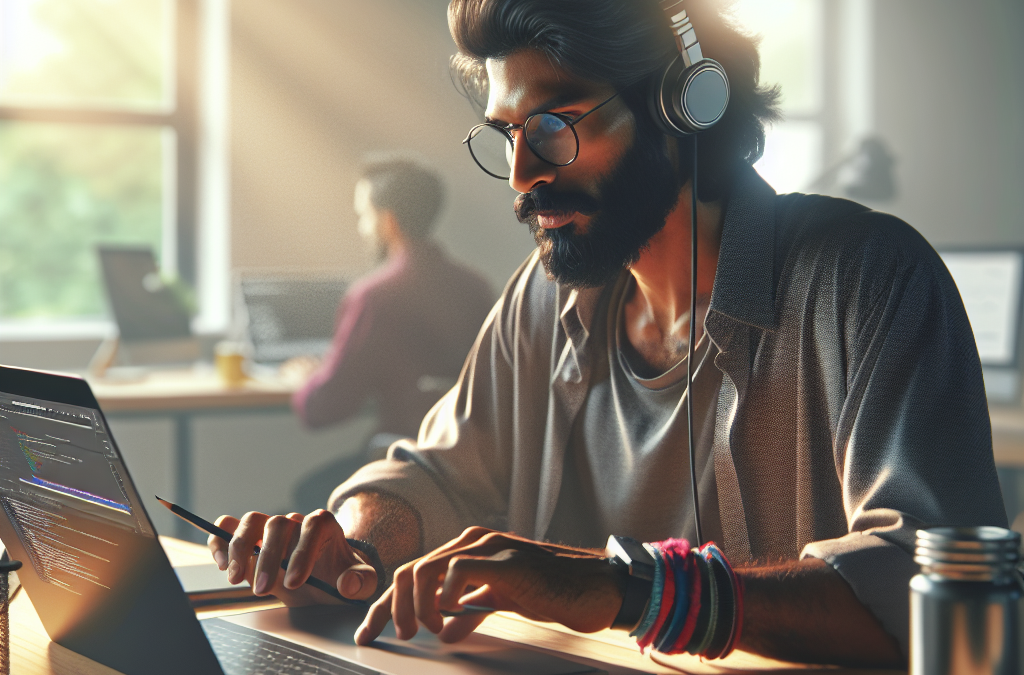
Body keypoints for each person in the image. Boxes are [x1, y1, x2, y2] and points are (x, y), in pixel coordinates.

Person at [211, 1, 1006, 668]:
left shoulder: (868, 279)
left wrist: (628, 588)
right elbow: (436, 473)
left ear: (682, 107)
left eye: (553, 124)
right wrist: (356, 548)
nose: (522, 173)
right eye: (507, 133)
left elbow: (931, 586)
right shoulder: (543, 297)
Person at [289, 155, 494, 443]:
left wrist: (306, 380)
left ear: (388, 221)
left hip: (403, 455)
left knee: (312, 479)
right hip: (468, 455)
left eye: (364, 215)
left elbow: (325, 407)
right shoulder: (477, 287)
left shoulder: (374, 297)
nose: (362, 228)